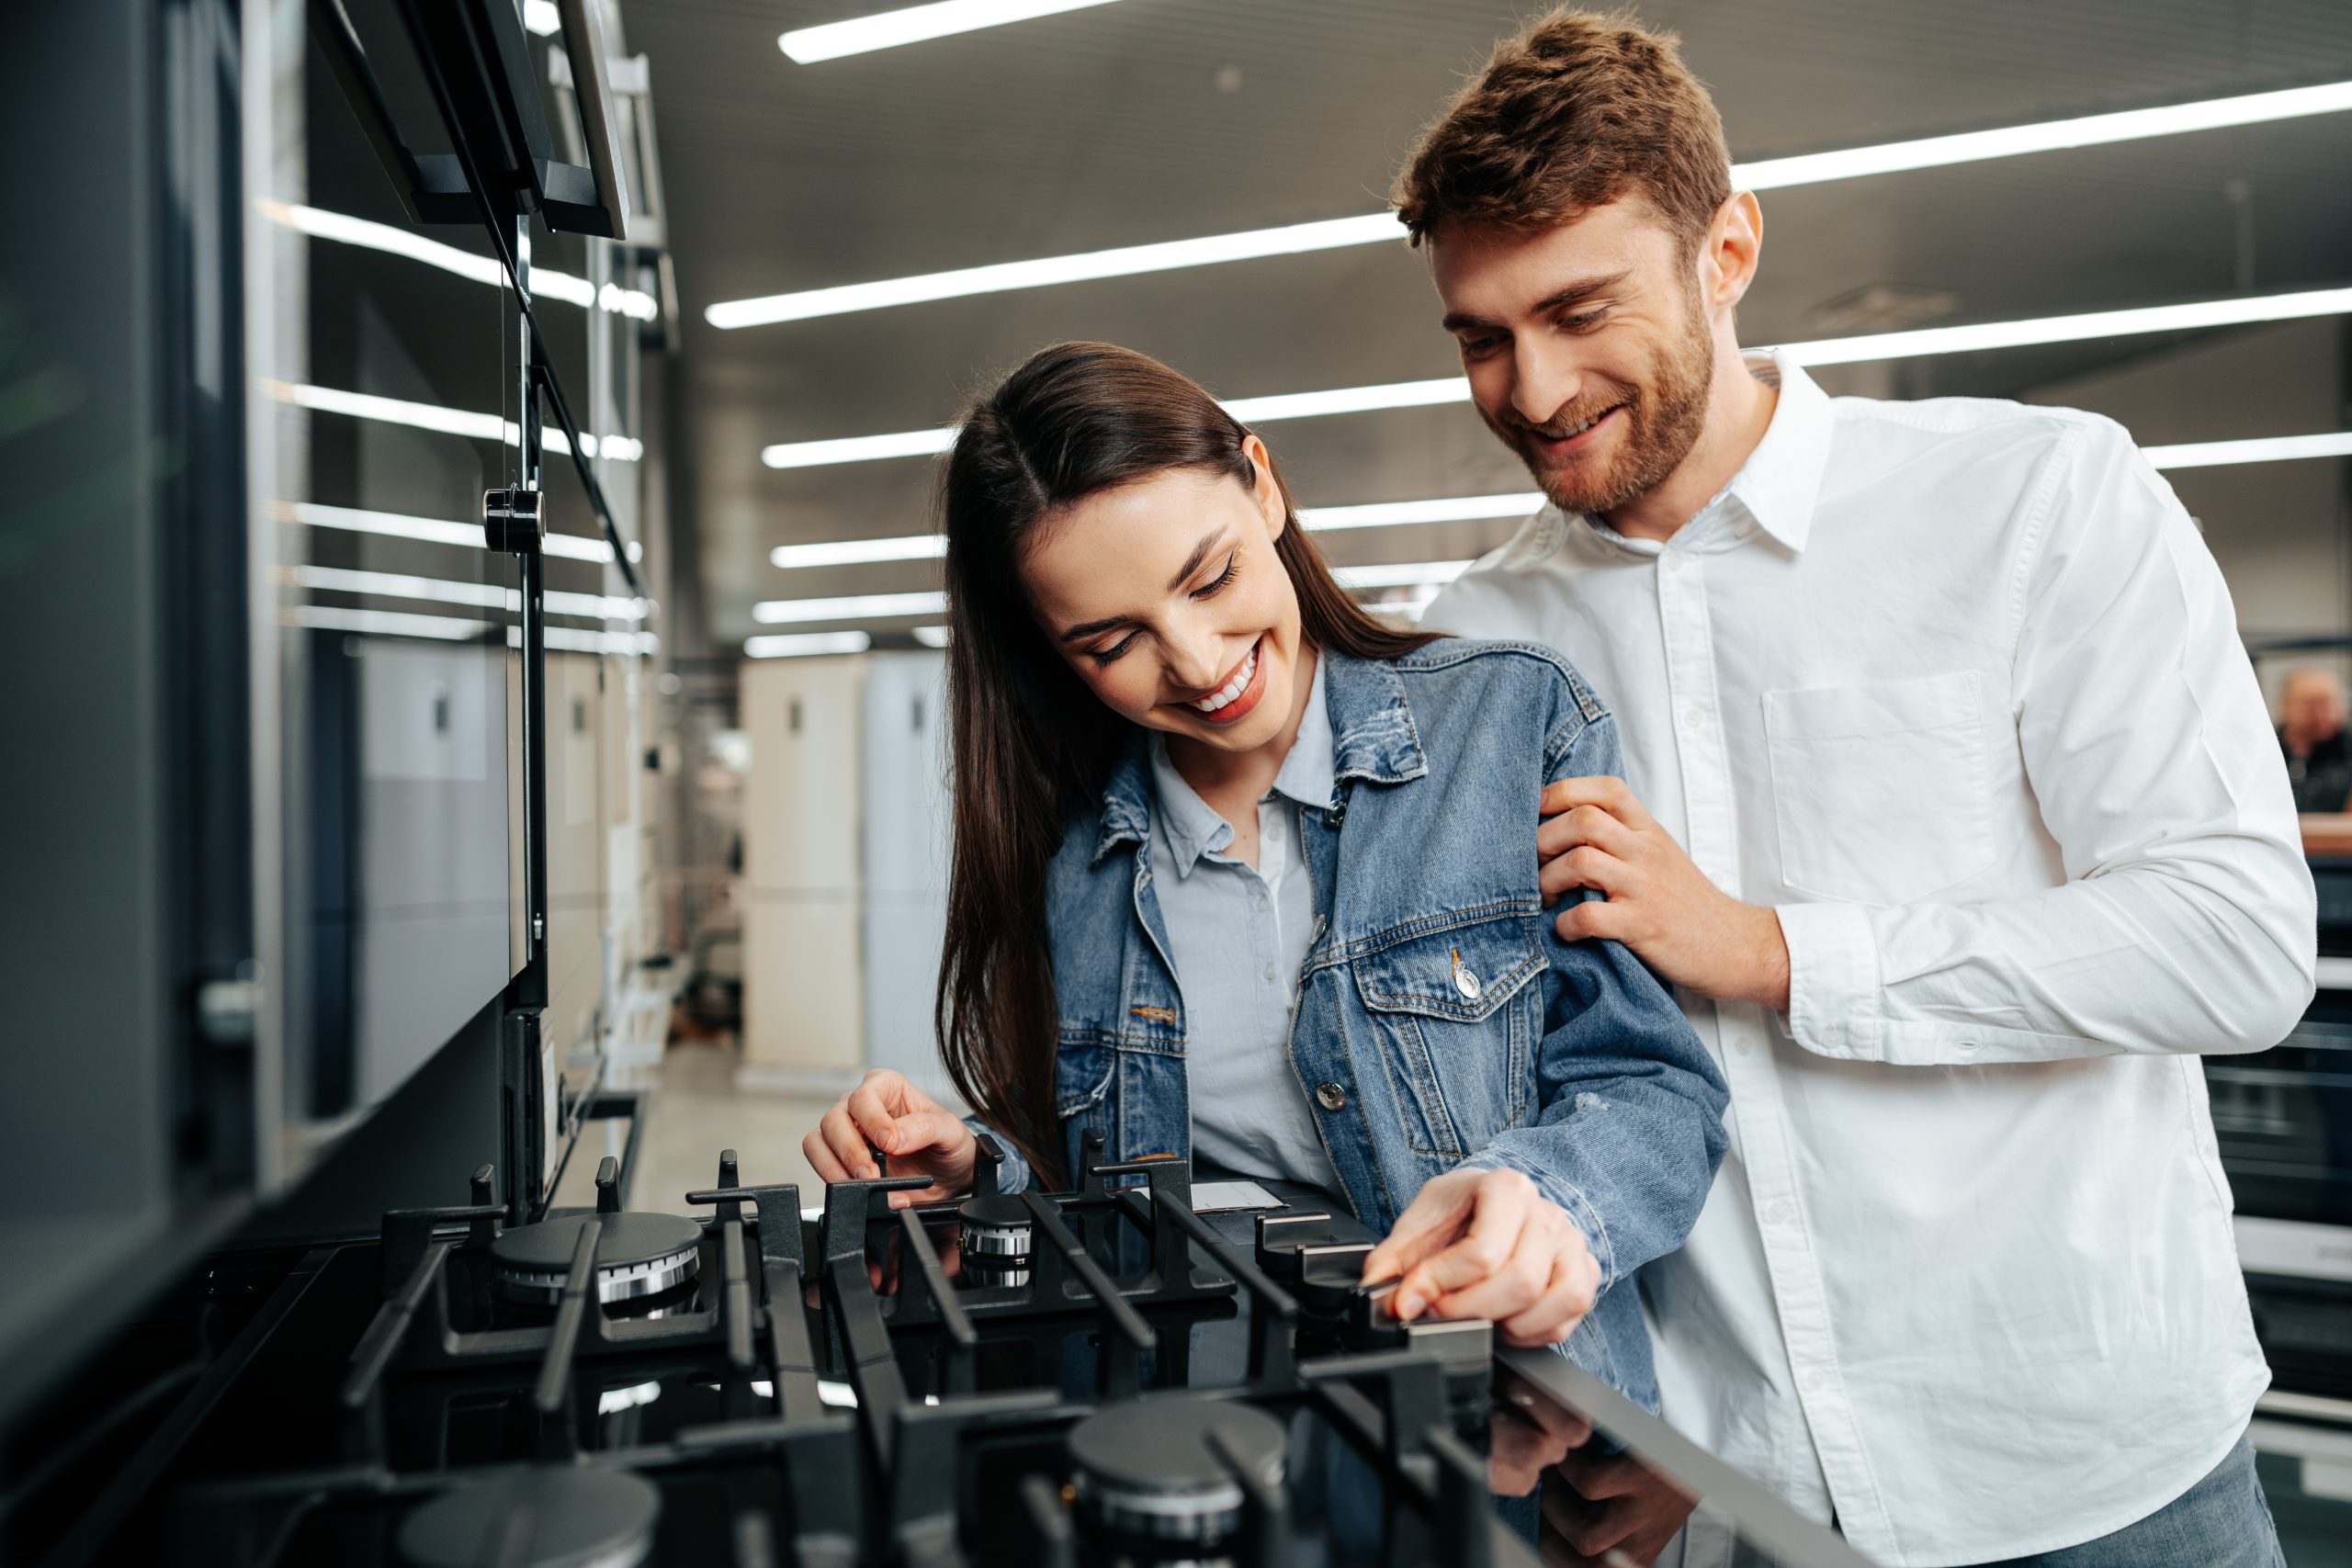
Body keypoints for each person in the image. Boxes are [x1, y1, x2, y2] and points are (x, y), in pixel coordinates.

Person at [1397, 10, 2315, 1567]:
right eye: (1481, 335)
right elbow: (1533, 1074)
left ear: (1728, 247)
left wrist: (1770, 946)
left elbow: (2236, 938)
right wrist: (1651, 1397)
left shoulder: (2035, 499)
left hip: (2090, 1466)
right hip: (1734, 1490)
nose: (1531, 386)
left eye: (1577, 307)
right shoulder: (1474, 640)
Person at [801, 342, 1727, 1393]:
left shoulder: (1510, 723)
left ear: (1265, 485)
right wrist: (979, 1170)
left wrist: (1549, 1197)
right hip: (1200, 1433)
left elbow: (1650, 1086)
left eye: (1211, 577)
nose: (1198, 665)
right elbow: (1080, 1165)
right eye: (1112, 644)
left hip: (1508, 1424)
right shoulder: (1076, 860)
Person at [2277, 667, 2352, 813]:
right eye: (2311, 705)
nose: (2321, 714)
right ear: (2286, 704)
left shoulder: (2347, 751)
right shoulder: (2267, 751)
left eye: (2328, 704)